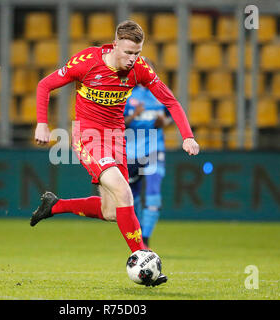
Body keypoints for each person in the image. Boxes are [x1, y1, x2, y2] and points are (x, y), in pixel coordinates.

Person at [32, 20, 200, 286]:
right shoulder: (87, 62)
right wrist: (42, 122)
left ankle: (55, 205)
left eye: (137, 53)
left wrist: (187, 136)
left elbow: (169, 100)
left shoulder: (141, 69)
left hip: (116, 138)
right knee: (124, 192)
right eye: (127, 52)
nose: (132, 59)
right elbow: (45, 85)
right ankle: (143, 256)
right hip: (88, 136)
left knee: (111, 211)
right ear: (115, 44)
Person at [124, 60, 172, 249]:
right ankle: (137, 240)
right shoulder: (125, 93)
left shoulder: (161, 92)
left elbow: (169, 119)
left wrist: (163, 122)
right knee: (131, 199)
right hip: (129, 153)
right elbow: (119, 124)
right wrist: (134, 115)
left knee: (153, 195)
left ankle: (146, 240)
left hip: (154, 149)